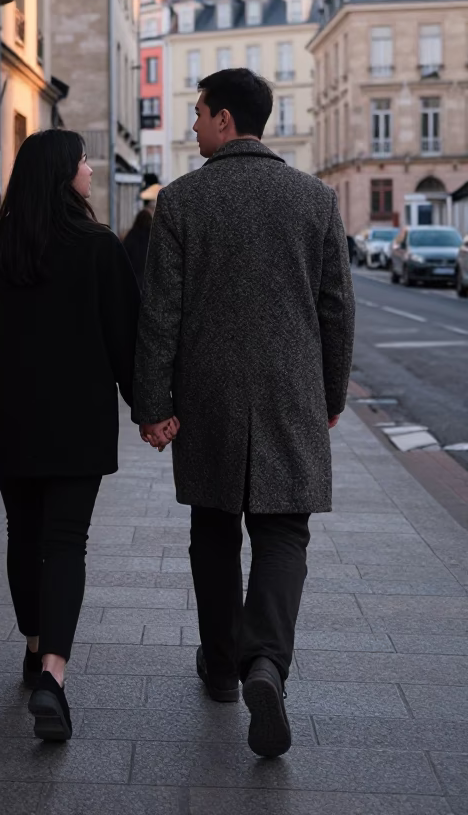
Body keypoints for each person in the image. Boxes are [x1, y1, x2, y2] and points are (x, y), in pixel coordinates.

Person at [133, 68, 354, 759]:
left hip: (210, 393)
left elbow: (160, 313)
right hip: (292, 389)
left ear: (225, 120)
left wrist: (155, 404)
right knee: (284, 533)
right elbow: (337, 309)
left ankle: (223, 665)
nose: (193, 124)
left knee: (214, 528)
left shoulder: (182, 201)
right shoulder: (315, 199)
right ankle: (267, 662)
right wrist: (331, 396)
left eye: (198, 113)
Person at [0, 130, 140, 742]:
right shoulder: (100, 247)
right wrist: (151, 409)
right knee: (66, 543)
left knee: (23, 535)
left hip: (10, 418)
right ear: (61, 172)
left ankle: (32, 646)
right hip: (78, 422)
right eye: (82, 160)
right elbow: (127, 339)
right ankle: (53, 673)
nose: (89, 170)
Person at [122, 208, 154, 290]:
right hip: (149, 281)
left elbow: (123, 256)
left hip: (132, 279)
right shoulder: (152, 237)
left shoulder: (131, 235)